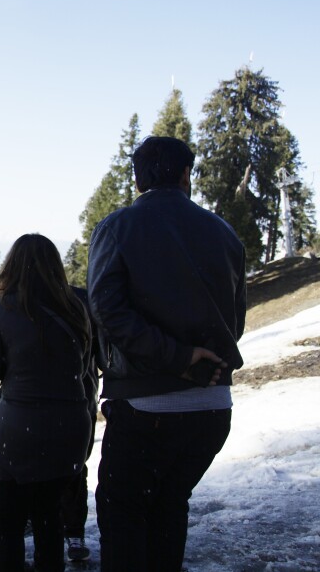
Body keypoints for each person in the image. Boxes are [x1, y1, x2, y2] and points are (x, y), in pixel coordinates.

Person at [87, 136, 246, 572]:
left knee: (123, 516)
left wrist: (176, 357)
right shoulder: (224, 232)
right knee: (170, 509)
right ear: (184, 176)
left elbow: (105, 309)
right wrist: (201, 358)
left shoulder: (118, 228)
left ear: (138, 180)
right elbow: (237, 318)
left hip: (146, 405)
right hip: (213, 408)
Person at [0, 234, 93, 572]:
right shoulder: (75, 309)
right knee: (48, 519)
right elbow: (81, 366)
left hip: (18, 432)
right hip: (69, 430)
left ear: (12, 266)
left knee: (8, 527)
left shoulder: (3, 308)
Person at [59, 286, 99, 563]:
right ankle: (73, 534)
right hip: (82, 401)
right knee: (74, 469)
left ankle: (64, 532)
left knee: (53, 472)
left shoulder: (29, 304)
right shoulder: (85, 303)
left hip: (52, 404)